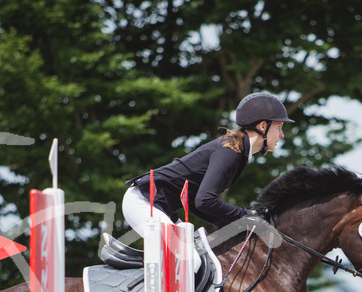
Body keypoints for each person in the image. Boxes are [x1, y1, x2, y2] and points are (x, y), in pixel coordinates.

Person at [122, 92, 293, 236]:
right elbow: (205, 201)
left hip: (161, 207)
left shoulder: (238, 153)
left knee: (198, 252)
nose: (282, 135)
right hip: (144, 201)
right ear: (263, 126)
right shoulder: (230, 152)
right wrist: (245, 215)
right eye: (279, 127)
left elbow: (197, 203)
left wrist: (239, 225)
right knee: (190, 259)